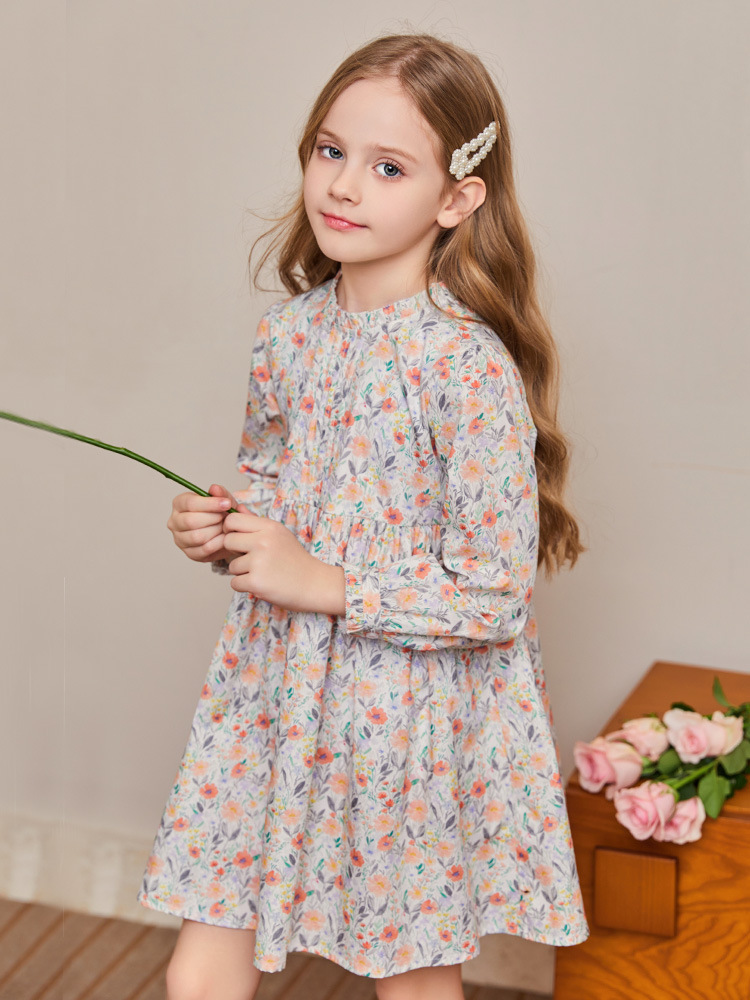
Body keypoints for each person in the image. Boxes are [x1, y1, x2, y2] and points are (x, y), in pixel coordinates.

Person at [137, 32, 590, 1000]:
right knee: (202, 954)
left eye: (389, 167)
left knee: (408, 974)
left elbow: (495, 596)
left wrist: (324, 582)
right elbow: (274, 485)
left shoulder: (466, 368)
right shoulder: (288, 335)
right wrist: (223, 530)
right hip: (270, 688)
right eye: (330, 150)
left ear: (457, 199)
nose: (343, 185)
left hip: (402, 716)